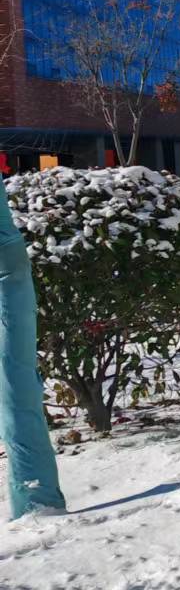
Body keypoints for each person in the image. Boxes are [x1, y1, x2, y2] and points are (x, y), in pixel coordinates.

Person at [0, 180, 65, 520]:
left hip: (6, 268)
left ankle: (38, 502)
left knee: (17, 388)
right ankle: (37, 500)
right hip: (9, 264)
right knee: (16, 388)